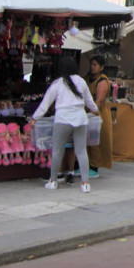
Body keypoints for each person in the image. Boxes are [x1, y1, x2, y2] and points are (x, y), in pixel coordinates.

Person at [32, 56, 100, 193]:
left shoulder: (58, 83)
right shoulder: (81, 81)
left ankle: (53, 181)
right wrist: (97, 111)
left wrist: (35, 117)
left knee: (57, 150)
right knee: (81, 151)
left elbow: (45, 104)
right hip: (80, 119)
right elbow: (89, 101)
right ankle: (85, 183)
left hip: (62, 119)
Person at [85, 55, 113, 180]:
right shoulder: (87, 78)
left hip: (97, 113)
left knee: (95, 142)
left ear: (101, 67)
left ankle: (94, 167)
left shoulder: (102, 81)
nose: (92, 67)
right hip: (87, 112)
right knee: (86, 142)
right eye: (91, 64)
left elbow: (99, 101)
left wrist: (90, 114)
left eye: (95, 65)